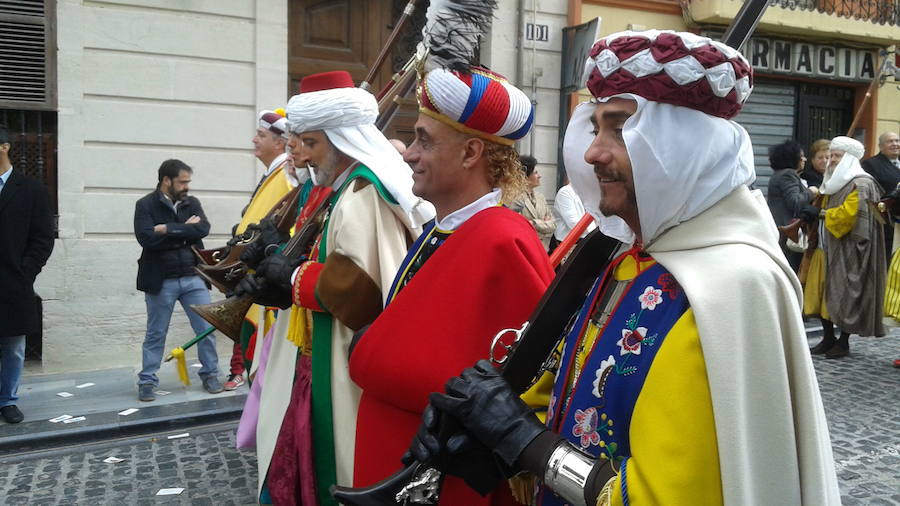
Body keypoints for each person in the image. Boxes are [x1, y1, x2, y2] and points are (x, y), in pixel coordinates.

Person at [407, 30, 840, 506]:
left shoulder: (731, 285)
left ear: (682, 145)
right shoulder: (623, 257)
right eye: (595, 128)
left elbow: (660, 497)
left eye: (620, 129)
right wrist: (487, 418)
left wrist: (527, 443)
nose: (593, 152)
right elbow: (573, 389)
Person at [348, 67, 554, 505]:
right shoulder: (441, 229)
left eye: (425, 141)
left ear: (471, 152)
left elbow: (528, 375)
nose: (410, 154)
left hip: (447, 483)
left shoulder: (503, 238)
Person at [235, 70, 432, 505]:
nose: (301, 157)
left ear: (341, 139)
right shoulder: (337, 190)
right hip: (312, 359)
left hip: (339, 363)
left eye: (310, 144)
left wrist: (290, 278)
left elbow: (362, 291)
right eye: (298, 143)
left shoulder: (363, 193)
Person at [134, 159, 222, 401]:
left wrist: (167, 229)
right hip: (161, 280)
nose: (186, 186)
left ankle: (210, 374)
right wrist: (184, 230)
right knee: (156, 332)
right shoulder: (145, 205)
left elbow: (202, 229)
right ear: (166, 180)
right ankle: (147, 380)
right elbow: (146, 239)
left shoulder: (191, 203)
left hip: (194, 277)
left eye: (188, 182)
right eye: (182, 182)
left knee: (205, 329)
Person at [223, 109, 296, 392]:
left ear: (280, 142)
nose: (254, 140)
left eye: (261, 135)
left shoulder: (287, 175)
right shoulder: (274, 174)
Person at [805, 136, 886, 359]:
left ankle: (843, 341)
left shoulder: (861, 183)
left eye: (837, 156)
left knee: (845, 295)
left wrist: (820, 213)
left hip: (848, 249)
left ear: (849, 158)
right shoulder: (832, 181)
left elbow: (849, 218)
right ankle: (828, 337)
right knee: (823, 295)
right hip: (824, 247)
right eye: (830, 155)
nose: (831, 160)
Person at [0, 125, 54, 424]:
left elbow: (43, 237)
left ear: (4, 147)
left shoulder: (31, 190)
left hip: (13, 280)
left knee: (14, 347)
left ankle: (7, 400)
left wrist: (26, 271)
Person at [766, 140, 817, 270]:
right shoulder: (788, 175)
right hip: (788, 234)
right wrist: (811, 191)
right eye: (801, 156)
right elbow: (795, 202)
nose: (804, 159)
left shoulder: (779, 175)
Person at [862, 132, 900, 260]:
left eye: (897, 141)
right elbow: (870, 194)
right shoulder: (871, 164)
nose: (895, 144)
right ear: (880, 146)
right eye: (890, 141)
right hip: (885, 223)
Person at [511, 155, 555, 248]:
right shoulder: (514, 199)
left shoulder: (541, 197)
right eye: (535, 173)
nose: (539, 176)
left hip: (543, 250)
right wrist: (542, 224)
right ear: (525, 176)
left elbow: (553, 225)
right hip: (525, 249)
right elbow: (519, 227)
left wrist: (533, 223)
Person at [550, 177, 596, 254]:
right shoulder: (565, 192)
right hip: (567, 243)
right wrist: (593, 229)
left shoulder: (588, 193)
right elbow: (574, 223)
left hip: (585, 240)